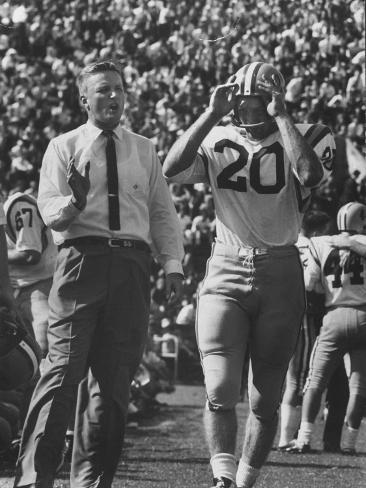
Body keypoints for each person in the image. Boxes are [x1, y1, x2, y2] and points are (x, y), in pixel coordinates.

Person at [163, 61, 335, 488]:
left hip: (281, 268)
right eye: (242, 104)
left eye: (257, 104)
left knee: (266, 397)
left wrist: (281, 118)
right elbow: (171, 168)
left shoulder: (308, 133)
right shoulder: (220, 135)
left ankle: (244, 480)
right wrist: (209, 114)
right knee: (220, 388)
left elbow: (311, 175)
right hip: (226, 266)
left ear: (275, 101)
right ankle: (222, 476)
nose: (248, 114)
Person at [13, 60, 184, 488]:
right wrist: (74, 201)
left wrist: (173, 264)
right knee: (62, 370)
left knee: (112, 385)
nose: (113, 97)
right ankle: (37, 477)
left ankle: (92, 482)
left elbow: (162, 212)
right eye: (103, 89)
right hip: (80, 263)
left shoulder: (144, 149)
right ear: (84, 99)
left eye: (119, 89)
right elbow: (51, 214)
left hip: (131, 267)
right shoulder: (63, 145)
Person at [289, 202, 366, 455]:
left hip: (333, 314)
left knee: (315, 380)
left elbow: (310, 284)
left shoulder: (320, 242)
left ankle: (304, 438)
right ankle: (350, 443)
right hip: (364, 315)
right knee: (359, 385)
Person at [277, 210, 332, 451]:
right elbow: (311, 281)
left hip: (276, 311)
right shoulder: (312, 247)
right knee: (299, 378)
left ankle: (282, 436)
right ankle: (286, 438)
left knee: (279, 376)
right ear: (318, 231)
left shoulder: (285, 240)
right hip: (303, 312)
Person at [4, 191, 57, 369]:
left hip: (39, 290)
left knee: (44, 358)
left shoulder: (18, 205)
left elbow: (30, 253)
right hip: (22, 291)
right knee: (27, 366)